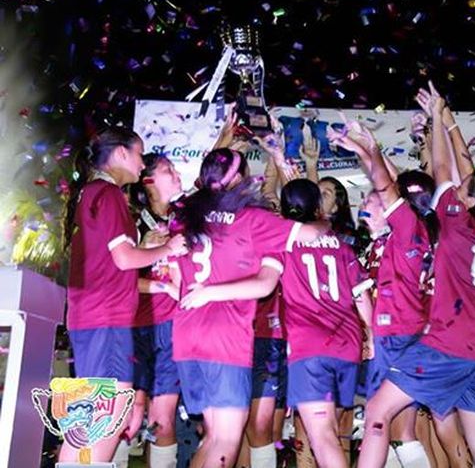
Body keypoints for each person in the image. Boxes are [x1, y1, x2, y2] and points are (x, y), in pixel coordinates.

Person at [357, 83, 475, 468]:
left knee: (377, 412)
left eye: (465, 189)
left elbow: (444, 169)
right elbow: (464, 172)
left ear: (472, 201)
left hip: (448, 346)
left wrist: (435, 117)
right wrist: (446, 121)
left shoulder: (458, 223)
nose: (458, 186)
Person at [168, 148, 323, 468]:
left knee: (212, 437)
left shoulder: (187, 215)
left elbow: (175, 272)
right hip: (224, 336)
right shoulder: (253, 220)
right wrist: (317, 212)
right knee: (225, 440)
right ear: (239, 179)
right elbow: (308, 235)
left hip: (186, 333)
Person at [62, 127, 187, 463]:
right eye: (139, 155)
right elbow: (124, 258)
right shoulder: (109, 194)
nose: (141, 164)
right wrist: (168, 248)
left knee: (91, 419)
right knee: (107, 419)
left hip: (92, 318)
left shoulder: (90, 193)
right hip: (107, 319)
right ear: (120, 153)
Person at [330, 120, 438, 467]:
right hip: (402, 334)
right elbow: (388, 181)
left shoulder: (407, 229)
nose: (374, 199)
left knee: (382, 422)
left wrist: (370, 148)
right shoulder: (401, 234)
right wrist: (363, 148)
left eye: (378, 199)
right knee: (395, 427)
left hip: (397, 336)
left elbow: (385, 183)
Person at [125, 153, 186, 468]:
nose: (176, 173)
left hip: (173, 330)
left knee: (162, 419)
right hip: (134, 329)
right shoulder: (130, 223)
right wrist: (144, 251)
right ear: (147, 181)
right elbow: (116, 280)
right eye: (167, 169)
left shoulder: (186, 219)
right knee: (126, 413)